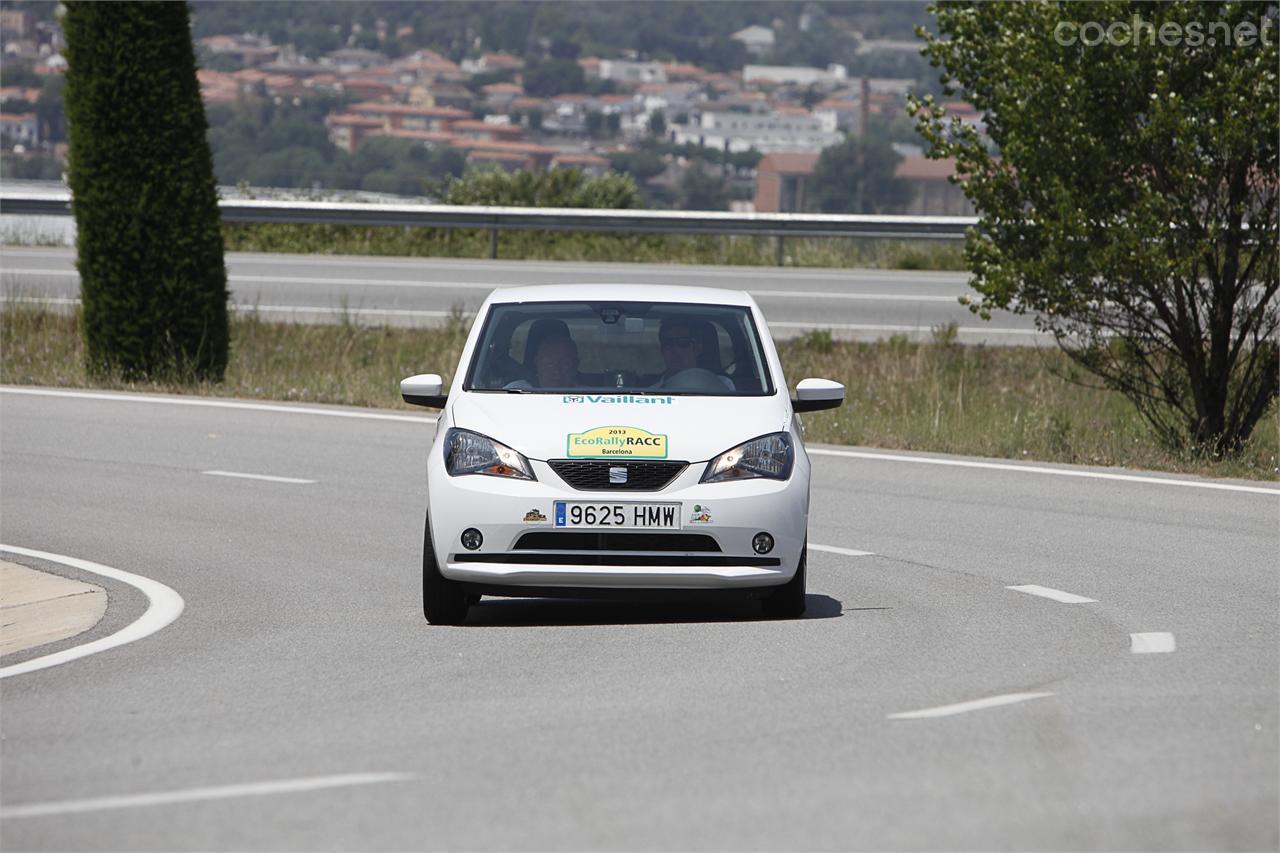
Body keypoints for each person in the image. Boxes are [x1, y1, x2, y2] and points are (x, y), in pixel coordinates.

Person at [655, 318, 733, 390]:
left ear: (697, 348)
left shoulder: (723, 385)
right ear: (662, 350)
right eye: (668, 344)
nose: (675, 350)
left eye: (683, 342)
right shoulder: (650, 393)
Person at [505, 332, 580, 390]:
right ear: (537, 364)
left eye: (565, 363)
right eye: (550, 363)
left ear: (575, 365)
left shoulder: (588, 396)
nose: (557, 371)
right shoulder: (513, 391)